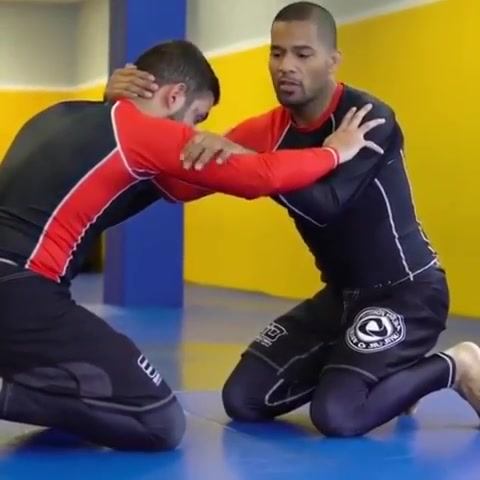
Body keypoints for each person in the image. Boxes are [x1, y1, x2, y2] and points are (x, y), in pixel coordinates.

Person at [106, 2, 480, 437]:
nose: (286, 66)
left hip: (406, 293)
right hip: (341, 298)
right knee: (243, 399)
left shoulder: (367, 119)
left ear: (332, 61)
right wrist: (123, 112)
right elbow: (177, 185)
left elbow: (328, 203)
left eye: (303, 54)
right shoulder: (266, 131)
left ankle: (458, 365)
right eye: (277, 53)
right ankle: (389, 377)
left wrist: (254, 164)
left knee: (338, 415)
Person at [0, 39, 381, 451]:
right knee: (159, 421)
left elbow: (174, 186)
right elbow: (260, 177)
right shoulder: (141, 132)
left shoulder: (57, 115)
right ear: (174, 96)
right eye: (196, 118)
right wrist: (334, 153)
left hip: (18, 294)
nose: (194, 133)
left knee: (89, 377)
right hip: (22, 294)